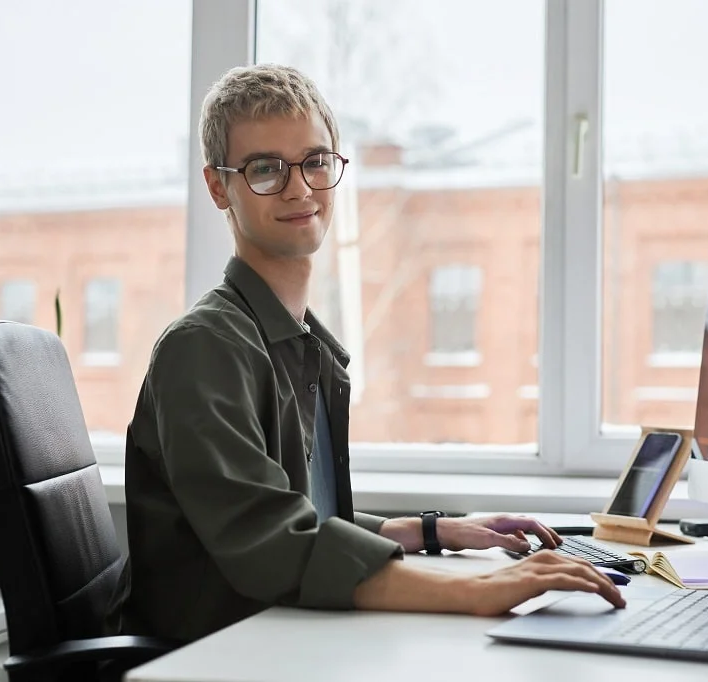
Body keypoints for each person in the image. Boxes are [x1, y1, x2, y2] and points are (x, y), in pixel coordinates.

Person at [105, 63, 625, 643]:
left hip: (283, 641)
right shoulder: (204, 349)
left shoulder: (299, 345)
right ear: (218, 185)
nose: (300, 188)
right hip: (217, 658)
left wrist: (437, 531)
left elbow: (308, 514)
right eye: (265, 169)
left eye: (315, 160)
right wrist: (481, 591)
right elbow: (278, 548)